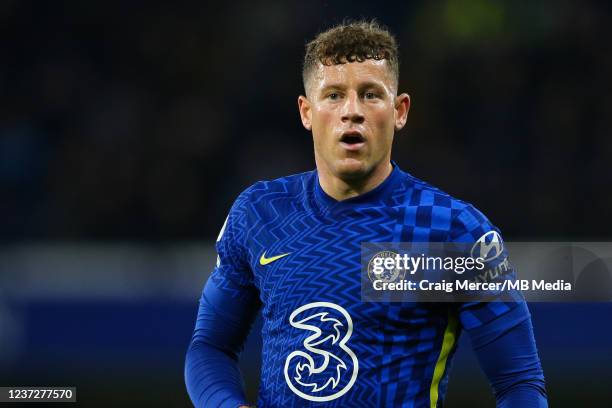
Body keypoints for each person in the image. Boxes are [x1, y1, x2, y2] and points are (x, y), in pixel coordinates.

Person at [185, 20, 547, 407]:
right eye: (334, 95)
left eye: (371, 95)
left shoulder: (453, 232)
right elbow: (209, 347)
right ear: (307, 112)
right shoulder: (261, 213)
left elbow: (519, 384)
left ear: (400, 110)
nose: (351, 112)